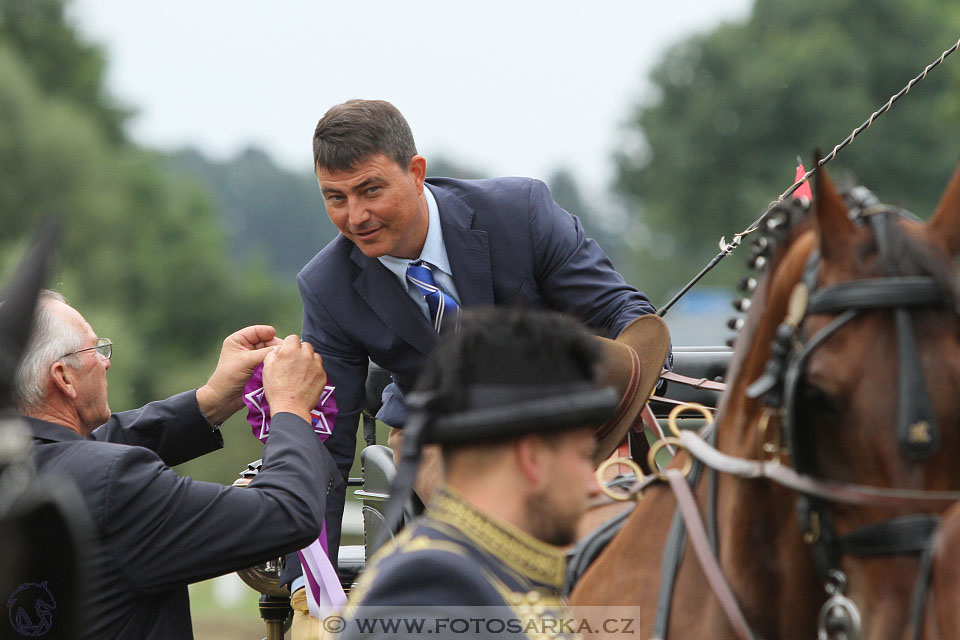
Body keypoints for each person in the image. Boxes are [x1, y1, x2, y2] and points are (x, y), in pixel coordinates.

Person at [296, 98, 664, 585]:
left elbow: (620, 310)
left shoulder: (521, 212)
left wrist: (636, 380)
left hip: (574, 419)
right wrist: (311, 584)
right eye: (335, 198)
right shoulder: (326, 287)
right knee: (500, 531)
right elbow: (329, 443)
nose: (356, 215)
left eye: (371, 190)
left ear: (417, 171)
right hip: (440, 436)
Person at [14, 290, 341, 640]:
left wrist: (210, 401)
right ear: (63, 377)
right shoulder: (116, 483)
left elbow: (80, 454)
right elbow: (285, 513)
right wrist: (291, 406)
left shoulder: (18, 467)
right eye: (93, 349)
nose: (105, 361)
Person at [335, 307, 620, 639]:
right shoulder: (429, 591)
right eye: (586, 457)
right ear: (533, 457)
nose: (595, 486)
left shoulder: (484, 574)